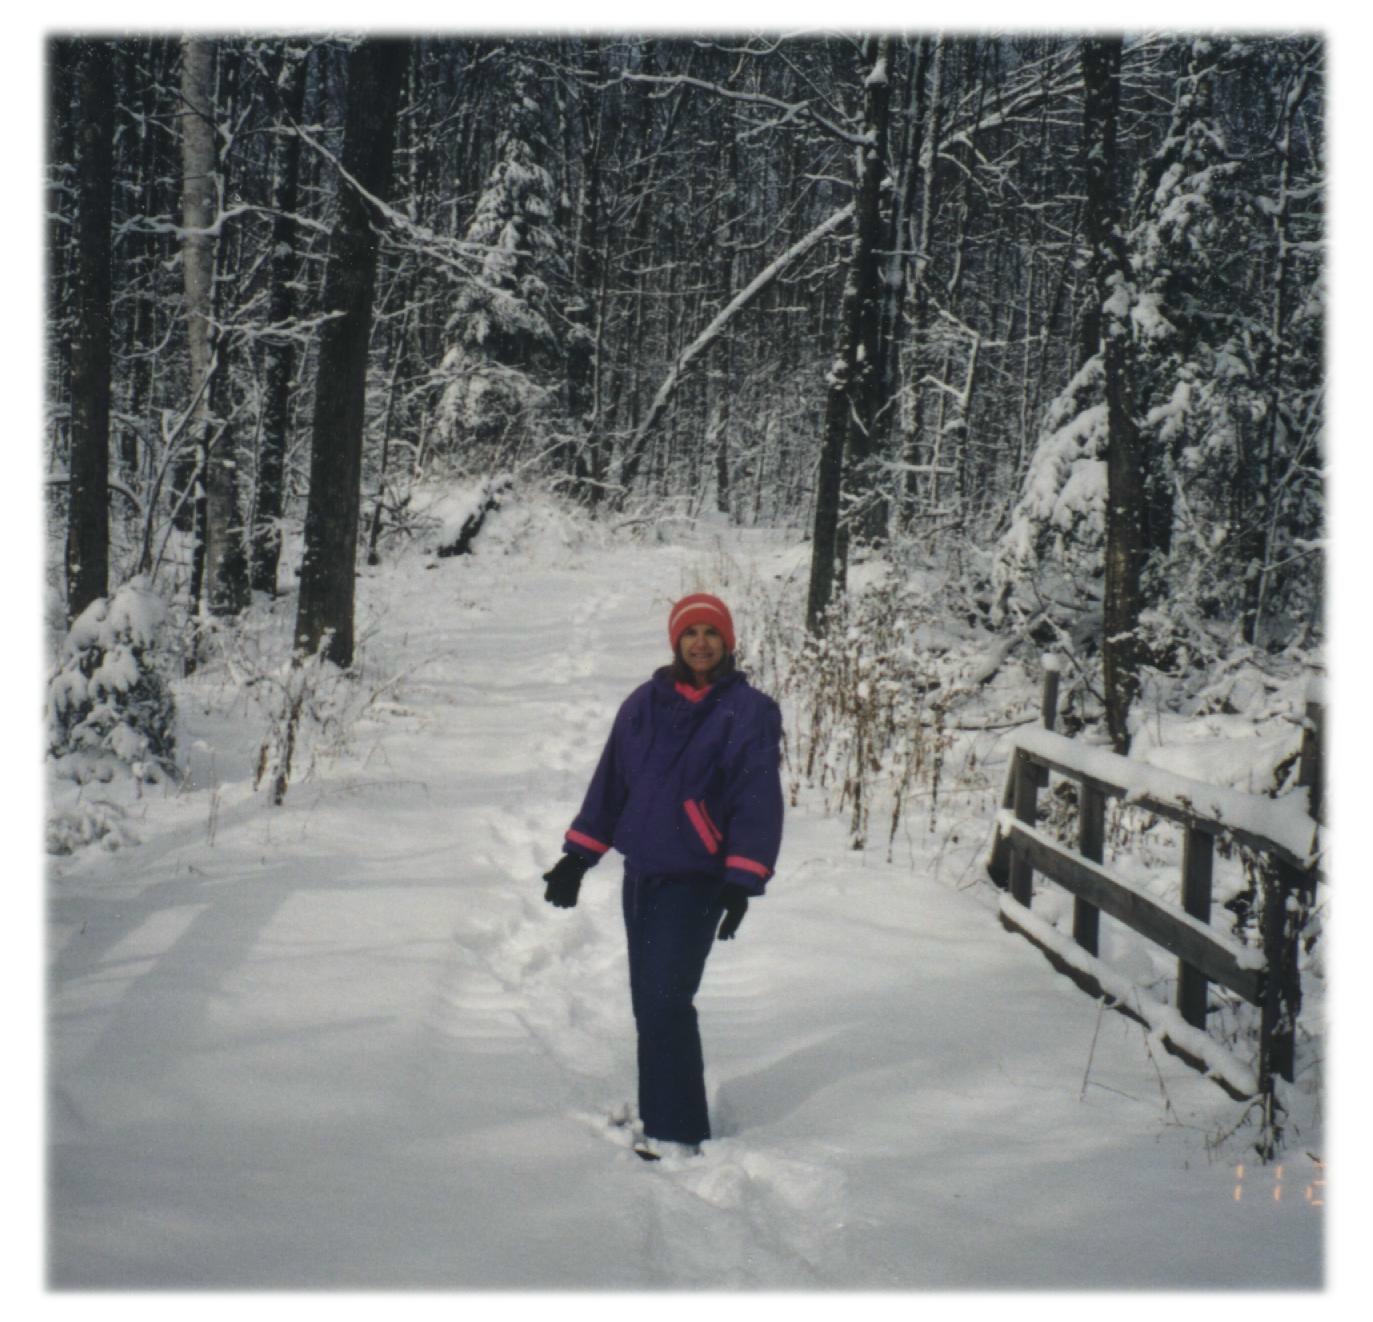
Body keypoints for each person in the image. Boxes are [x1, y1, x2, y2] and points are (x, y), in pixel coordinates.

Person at [540, 592, 784, 1161]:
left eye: (711, 633)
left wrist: (741, 880)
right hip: (643, 874)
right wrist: (578, 858)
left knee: (668, 999)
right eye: (690, 633)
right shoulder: (643, 705)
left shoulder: (748, 711)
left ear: (729, 641)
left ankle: (677, 1132)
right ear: (675, 640)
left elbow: (757, 800)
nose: (701, 643)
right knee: (648, 1002)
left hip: (698, 878)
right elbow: (611, 787)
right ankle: (663, 1115)